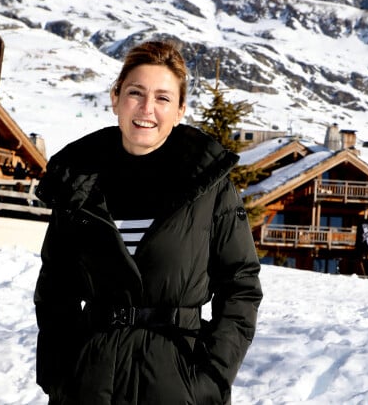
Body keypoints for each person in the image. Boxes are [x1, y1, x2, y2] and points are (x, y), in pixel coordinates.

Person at [34, 40, 263, 405]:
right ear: (115, 98)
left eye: (162, 98)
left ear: (180, 109)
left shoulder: (208, 187)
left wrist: (212, 376)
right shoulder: (78, 183)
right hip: (89, 384)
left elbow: (241, 285)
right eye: (136, 93)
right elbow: (55, 289)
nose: (146, 109)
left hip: (176, 381)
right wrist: (58, 373)